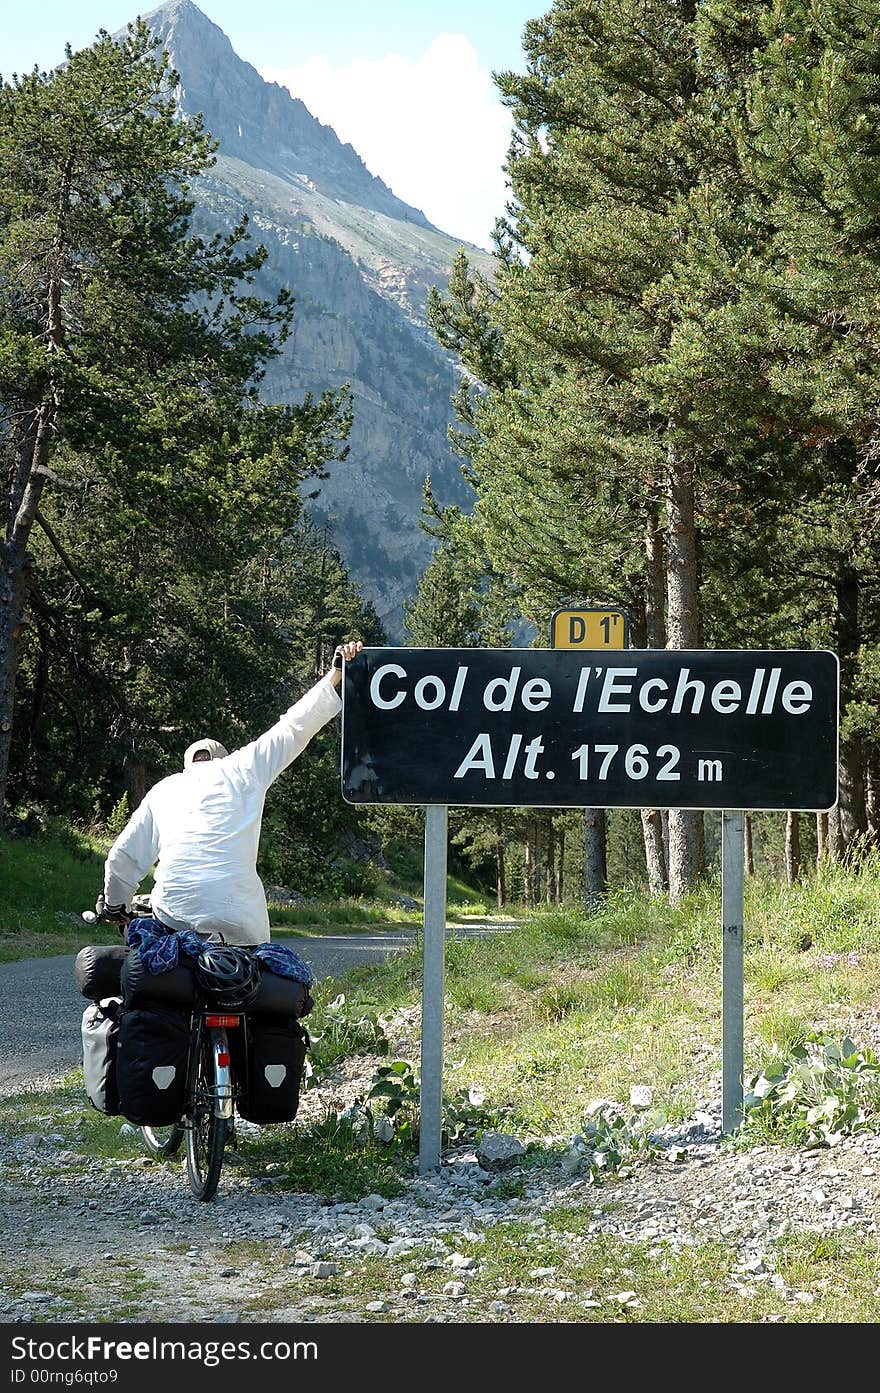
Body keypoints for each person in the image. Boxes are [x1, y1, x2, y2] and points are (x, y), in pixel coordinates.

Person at [99, 640, 364, 945]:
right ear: (222, 759)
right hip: (240, 923)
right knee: (255, 977)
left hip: (175, 917)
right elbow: (294, 727)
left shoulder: (166, 789)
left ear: (188, 766)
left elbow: (123, 859)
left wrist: (115, 905)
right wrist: (334, 675)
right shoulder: (242, 769)